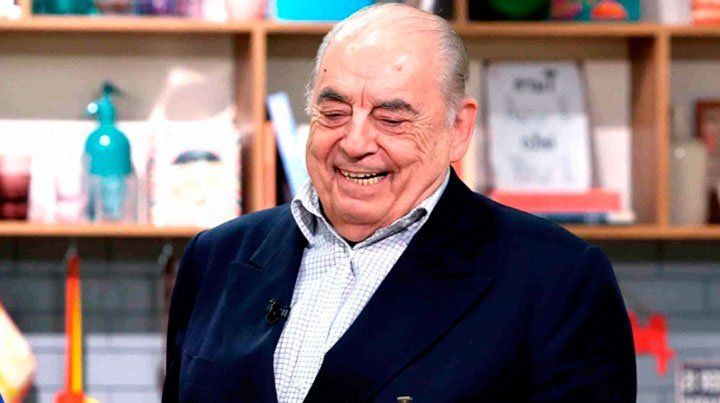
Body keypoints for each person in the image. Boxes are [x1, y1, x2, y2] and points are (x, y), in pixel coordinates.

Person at [162, 3, 636, 402]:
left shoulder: (558, 279)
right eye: (334, 113)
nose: (355, 142)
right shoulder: (215, 257)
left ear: (458, 129)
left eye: (391, 119)